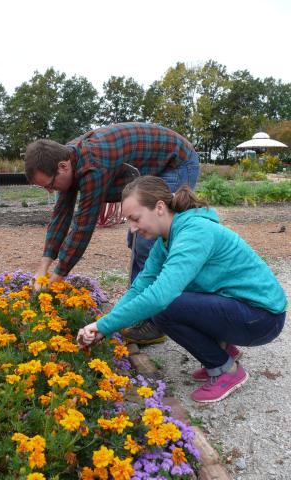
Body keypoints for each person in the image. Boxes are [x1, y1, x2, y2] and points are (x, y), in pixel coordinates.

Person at [77, 176, 287, 403]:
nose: (133, 228)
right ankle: (223, 350)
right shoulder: (165, 241)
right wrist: (105, 323)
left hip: (263, 318)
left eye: (135, 218)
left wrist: (104, 326)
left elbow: (159, 296)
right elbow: (140, 286)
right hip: (241, 308)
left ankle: (226, 369)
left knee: (165, 308)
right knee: (168, 301)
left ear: (159, 207)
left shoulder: (194, 232)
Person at [24, 122, 199, 345]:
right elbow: (61, 215)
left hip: (176, 162)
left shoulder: (92, 165)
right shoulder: (66, 157)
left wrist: (57, 278)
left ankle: (154, 323)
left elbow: (83, 226)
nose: (50, 191)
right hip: (148, 166)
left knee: (149, 241)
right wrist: (43, 268)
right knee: (136, 239)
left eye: (49, 185)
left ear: (62, 167)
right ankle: (137, 311)